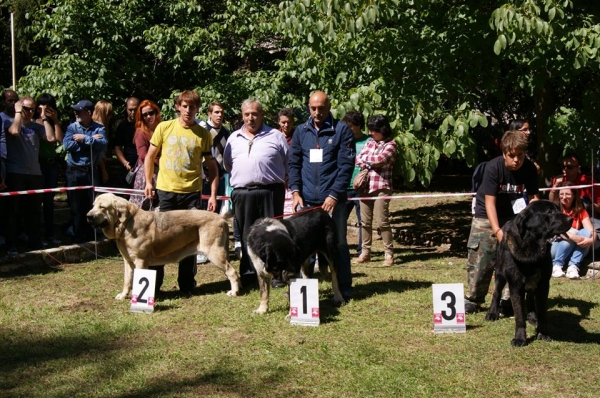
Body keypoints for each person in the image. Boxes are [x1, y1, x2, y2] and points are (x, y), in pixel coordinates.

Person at [143, 90, 218, 294]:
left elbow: (211, 166)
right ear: (177, 106)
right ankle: (153, 288)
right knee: (159, 240)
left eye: (192, 107)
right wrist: (148, 182)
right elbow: (150, 157)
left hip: (191, 194)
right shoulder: (164, 127)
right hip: (166, 192)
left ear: (197, 109)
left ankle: (187, 285)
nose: (188, 110)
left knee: (190, 241)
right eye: (184, 106)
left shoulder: (203, 134)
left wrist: (212, 194)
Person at [288, 91, 355, 300]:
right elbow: (294, 164)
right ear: (308, 107)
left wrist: (334, 194)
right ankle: (303, 293)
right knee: (303, 244)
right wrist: (296, 191)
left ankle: (343, 288)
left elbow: (346, 166)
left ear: (329, 107)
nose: (317, 112)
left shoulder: (342, 130)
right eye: (313, 108)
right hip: (306, 200)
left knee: (339, 243)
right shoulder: (300, 131)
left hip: (333, 202)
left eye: (322, 108)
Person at [464, 130, 539, 314]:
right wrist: (498, 232)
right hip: (486, 214)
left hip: (513, 215)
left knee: (514, 258)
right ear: (504, 153)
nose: (516, 160)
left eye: (520, 156)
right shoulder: (493, 167)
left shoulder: (529, 169)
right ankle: (474, 298)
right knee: (484, 254)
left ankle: (508, 299)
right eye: (512, 156)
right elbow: (490, 203)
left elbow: (534, 197)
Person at [223, 99, 288, 286]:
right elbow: (228, 165)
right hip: (243, 193)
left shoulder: (276, 135)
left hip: (271, 191)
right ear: (242, 116)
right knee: (246, 235)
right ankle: (250, 273)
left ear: (262, 115)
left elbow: (287, 162)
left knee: (274, 233)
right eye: (247, 114)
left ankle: (276, 274)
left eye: (254, 114)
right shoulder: (233, 138)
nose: (250, 118)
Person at [5, 96, 57, 256]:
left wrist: (45, 118)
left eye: (32, 109)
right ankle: (11, 244)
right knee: (12, 211)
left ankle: (34, 240)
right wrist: (18, 113)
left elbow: (51, 138)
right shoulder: (11, 122)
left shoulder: (36, 126)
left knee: (34, 210)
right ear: (20, 108)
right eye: (26, 108)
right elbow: (14, 131)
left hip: (35, 173)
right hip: (15, 172)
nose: (29, 112)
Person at [354, 115, 398, 266]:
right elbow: (358, 159)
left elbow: (380, 161)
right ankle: (365, 252)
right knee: (364, 222)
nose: (371, 133)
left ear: (382, 130)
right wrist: (369, 160)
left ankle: (388, 254)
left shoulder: (391, 145)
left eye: (374, 130)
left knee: (382, 221)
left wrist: (368, 160)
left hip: (382, 187)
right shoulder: (370, 143)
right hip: (365, 187)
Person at [63, 99, 108, 243]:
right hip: (74, 171)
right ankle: (77, 236)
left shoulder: (99, 128)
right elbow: (67, 146)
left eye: (79, 111)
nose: (76, 113)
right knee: (76, 206)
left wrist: (84, 139)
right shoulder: (72, 127)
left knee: (92, 205)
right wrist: (89, 141)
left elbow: (103, 144)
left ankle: (91, 236)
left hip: (91, 171)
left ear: (88, 113)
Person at [197, 101, 231, 264]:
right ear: (209, 113)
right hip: (205, 177)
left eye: (221, 112)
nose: (219, 115)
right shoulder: (203, 130)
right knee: (204, 213)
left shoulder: (226, 132)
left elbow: (227, 155)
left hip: (222, 177)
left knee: (218, 214)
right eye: (216, 112)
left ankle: (217, 246)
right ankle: (202, 249)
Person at [33, 94, 64, 246]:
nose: (44, 109)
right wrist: (43, 118)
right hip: (38, 164)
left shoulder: (53, 122)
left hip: (52, 165)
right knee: (36, 201)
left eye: (47, 106)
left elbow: (59, 139)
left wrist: (55, 120)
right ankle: (36, 235)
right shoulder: (32, 122)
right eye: (41, 106)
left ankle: (50, 234)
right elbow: (48, 138)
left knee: (49, 202)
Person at [551, 182, 597, 279]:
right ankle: (556, 265)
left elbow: (592, 231)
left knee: (586, 232)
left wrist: (591, 240)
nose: (564, 197)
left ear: (574, 195)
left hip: (572, 249)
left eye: (567, 194)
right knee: (571, 233)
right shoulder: (555, 210)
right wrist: (573, 236)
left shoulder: (581, 211)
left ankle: (573, 267)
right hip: (555, 247)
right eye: (561, 194)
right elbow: (555, 230)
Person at [342, 110, 368, 255]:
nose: (348, 129)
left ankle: (362, 250)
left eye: (351, 126)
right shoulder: (343, 141)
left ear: (359, 125)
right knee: (339, 221)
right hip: (344, 187)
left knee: (362, 221)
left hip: (361, 188)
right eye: (346, 125)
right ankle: (342, 249)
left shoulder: (368, 142)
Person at [130, 100, 161, 210]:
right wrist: (160, 162)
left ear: (156, 112)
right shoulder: (140, 132)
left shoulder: (162, 128)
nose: (148, 116)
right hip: (146, 172)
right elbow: (143, 155)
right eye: (145, 115)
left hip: (162, 172)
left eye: (151, 113)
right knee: (142, 209)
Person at [549, 152, 600, 217]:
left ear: (578, 168)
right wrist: (555, 187)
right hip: (564, 217)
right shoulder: (558, 180)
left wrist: (586, 205)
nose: (565, 170)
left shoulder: (588, 181)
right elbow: (552, 202)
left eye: (570, 167)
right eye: (563, 167)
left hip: (586, 217)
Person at [114, 97, 140, 187]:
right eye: (130, 110)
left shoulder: (144, 124)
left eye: (135, 110)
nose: (133, 113)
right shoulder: (122, 126)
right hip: (129, 166)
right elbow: (117, 148)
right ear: (126, 109)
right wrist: (125, 163)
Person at [278, 108, 296, 216]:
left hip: (293, 180)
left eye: (288, 122)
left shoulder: (298, 136)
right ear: (279, 122)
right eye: (283, 122)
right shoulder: (273, 136)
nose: (286, 125)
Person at [92, 100, 114, 185]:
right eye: (109, 114)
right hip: (97, 167)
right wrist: (103, 170)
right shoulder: (100, 129)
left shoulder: (92, 125)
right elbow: (98, 153)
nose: (111, 116)